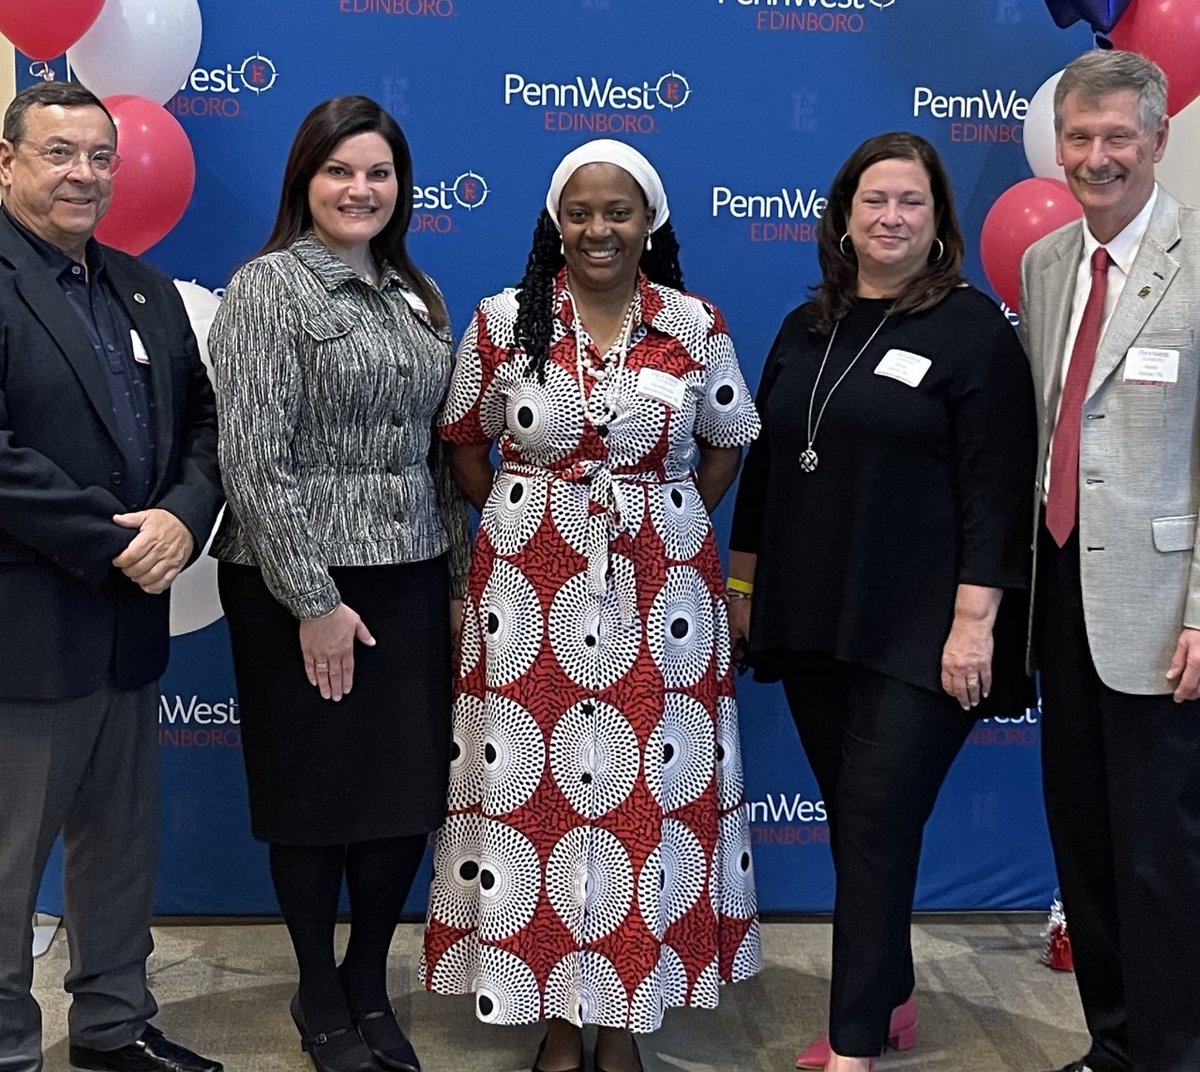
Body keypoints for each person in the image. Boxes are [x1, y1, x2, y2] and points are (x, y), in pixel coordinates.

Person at [422, 139, 762, 1072]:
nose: (598, 228)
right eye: (580, 211)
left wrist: (663, 514)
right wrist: (538, 514)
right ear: (554, 223)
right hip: (527, 595)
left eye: (618, 211)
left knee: (645, 802)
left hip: (665, 601)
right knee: (537, 803)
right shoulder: (502, 322)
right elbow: (462, 445)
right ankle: (558, 1022)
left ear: (650, 221)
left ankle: (624, 1020)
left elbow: (729, 440)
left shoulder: (693, 324)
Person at [728, 131, 1036, 1072]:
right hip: (817, 619)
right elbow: (766, 471)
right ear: (843, 217)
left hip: (926, 630)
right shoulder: (804, 327)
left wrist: (976, 622)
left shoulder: (974, 330)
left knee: (870, 819)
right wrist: (741, 591)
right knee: (865, 821)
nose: (891, 217)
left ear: (939, 221)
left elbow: (998, 489)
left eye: (912, 201)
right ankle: (892, 992)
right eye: (874, 200)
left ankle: (856, 1040)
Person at [208, 95, 469, 1072]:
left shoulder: (416, 290)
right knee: (315, 798)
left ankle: (369, 979)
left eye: (379, 173)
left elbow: (438, 458)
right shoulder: (269, 287)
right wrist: (313, 600)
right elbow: (253, 460)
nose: (361, 190)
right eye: (340, 172)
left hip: (406, 575)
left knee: (402, 798)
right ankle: (318, 990)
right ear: (304, 181)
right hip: (295, 584)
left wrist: (450, 584)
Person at [0, 82, 224, 1072]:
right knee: (6, 868)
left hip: (131, 623)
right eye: (58, 153)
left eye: (98, 155)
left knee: (119, 848)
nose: (82, 174)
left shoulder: (144, 288)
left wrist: (182, 516)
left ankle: (112, 1023)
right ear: (7, 161)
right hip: (25, 624)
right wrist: (112, 536)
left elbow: (209, 428)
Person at [1019, 50, 1200, 1072]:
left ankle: (1176, 1050)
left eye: (1116, 138)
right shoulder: (1050, 264)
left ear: (1158, 140)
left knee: (1163, 855)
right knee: (1084, 842)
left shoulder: (1198, 254)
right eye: (1079, 138)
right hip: (1063, 597)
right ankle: (1116, 1042)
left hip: (1163, 607)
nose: (1096, 158)